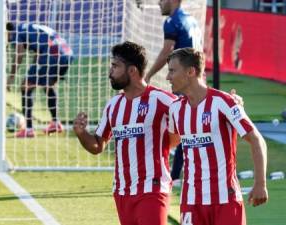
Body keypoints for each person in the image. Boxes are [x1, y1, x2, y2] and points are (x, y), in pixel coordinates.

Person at [73, 41, 177, 225]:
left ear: (132, 71)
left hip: (152, 189)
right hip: (122, 191)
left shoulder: (162, 100)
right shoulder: (113, 106)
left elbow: (192, 117)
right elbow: (98, 145)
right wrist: (82, 133)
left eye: (115, 66)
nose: (110, 72)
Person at [166, 48, 268, 225]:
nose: (168, 77)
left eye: (172, 71)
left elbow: (256, 139)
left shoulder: (223, 102)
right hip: (191, 202)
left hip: (225, 200)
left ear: (191, 72)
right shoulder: (176, 109)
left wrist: (260, 183)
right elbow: (170, 143)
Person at [145, 0, 203, 184]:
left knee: (183, 127)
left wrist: (148, 76)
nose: (159, 3)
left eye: (162, 0)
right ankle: (186, 172)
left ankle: (176, 176)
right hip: (196, 80)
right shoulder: (192, 21)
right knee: (192, 127)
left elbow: (166, 52)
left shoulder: (172, 22)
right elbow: (199, 54)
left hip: (184, 81)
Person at [6, 23, 73, 138]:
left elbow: (19, 54)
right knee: (48, 85)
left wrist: (11, 77)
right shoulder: (31, 28)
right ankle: (56, 123)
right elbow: (38, 52)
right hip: (66, 54)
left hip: (51, 54)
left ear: (8, 31)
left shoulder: (18, 33)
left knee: (25, 86)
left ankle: (28, 129)